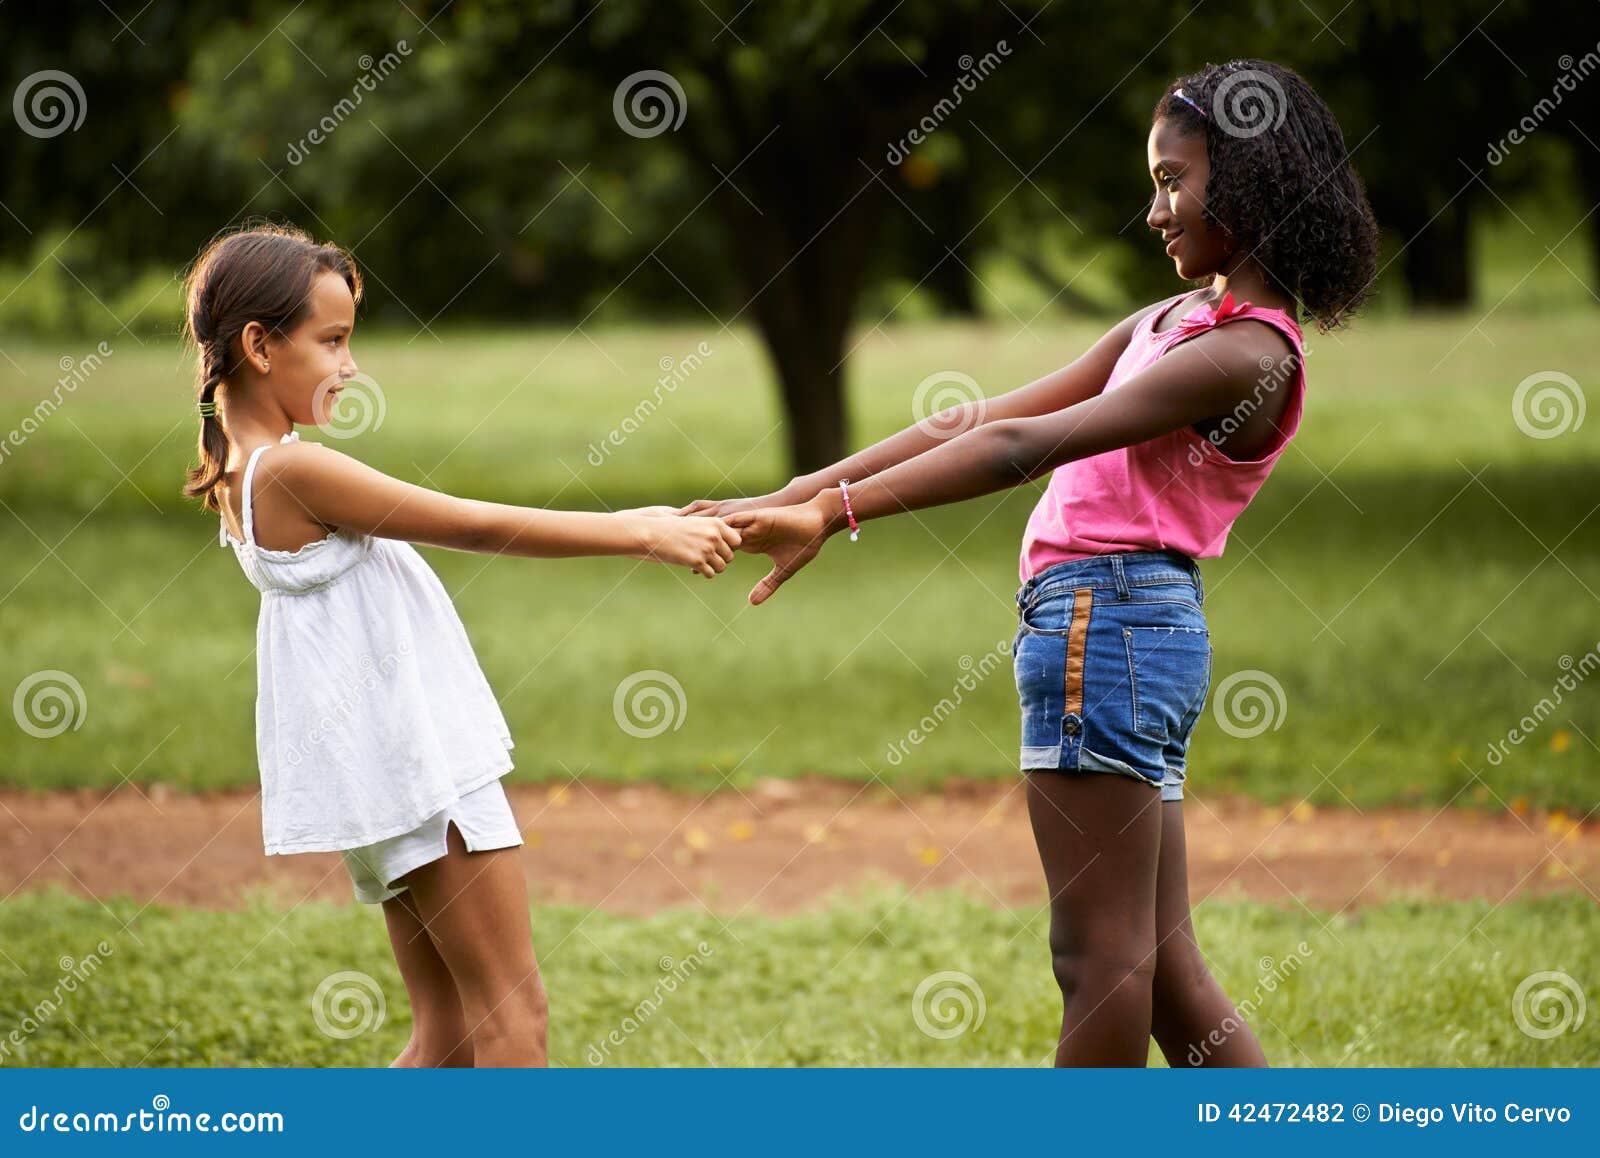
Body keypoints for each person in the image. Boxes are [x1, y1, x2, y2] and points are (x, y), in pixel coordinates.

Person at [684, 60, 1379, 1067]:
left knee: (1098, 961)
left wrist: (836, 513)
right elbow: (974, 417)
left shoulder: (1249, 356)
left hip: (1109, 628)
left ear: (1252, 181)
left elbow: (1021, 451)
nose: (1155, 210)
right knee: (1165, 972)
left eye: (1173, 181)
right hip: (1123, 633)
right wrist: (794, 495)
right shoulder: (1166, 322)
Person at [184, 224, 739, 1067]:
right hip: (417, 768)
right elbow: (476, 524)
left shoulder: (246, 466)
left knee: (444, 1036)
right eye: (331, 342)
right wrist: (637, 531)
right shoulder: (296, 473)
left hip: (381, 771)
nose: (350, 365)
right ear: (259, 345)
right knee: (515, 1020)